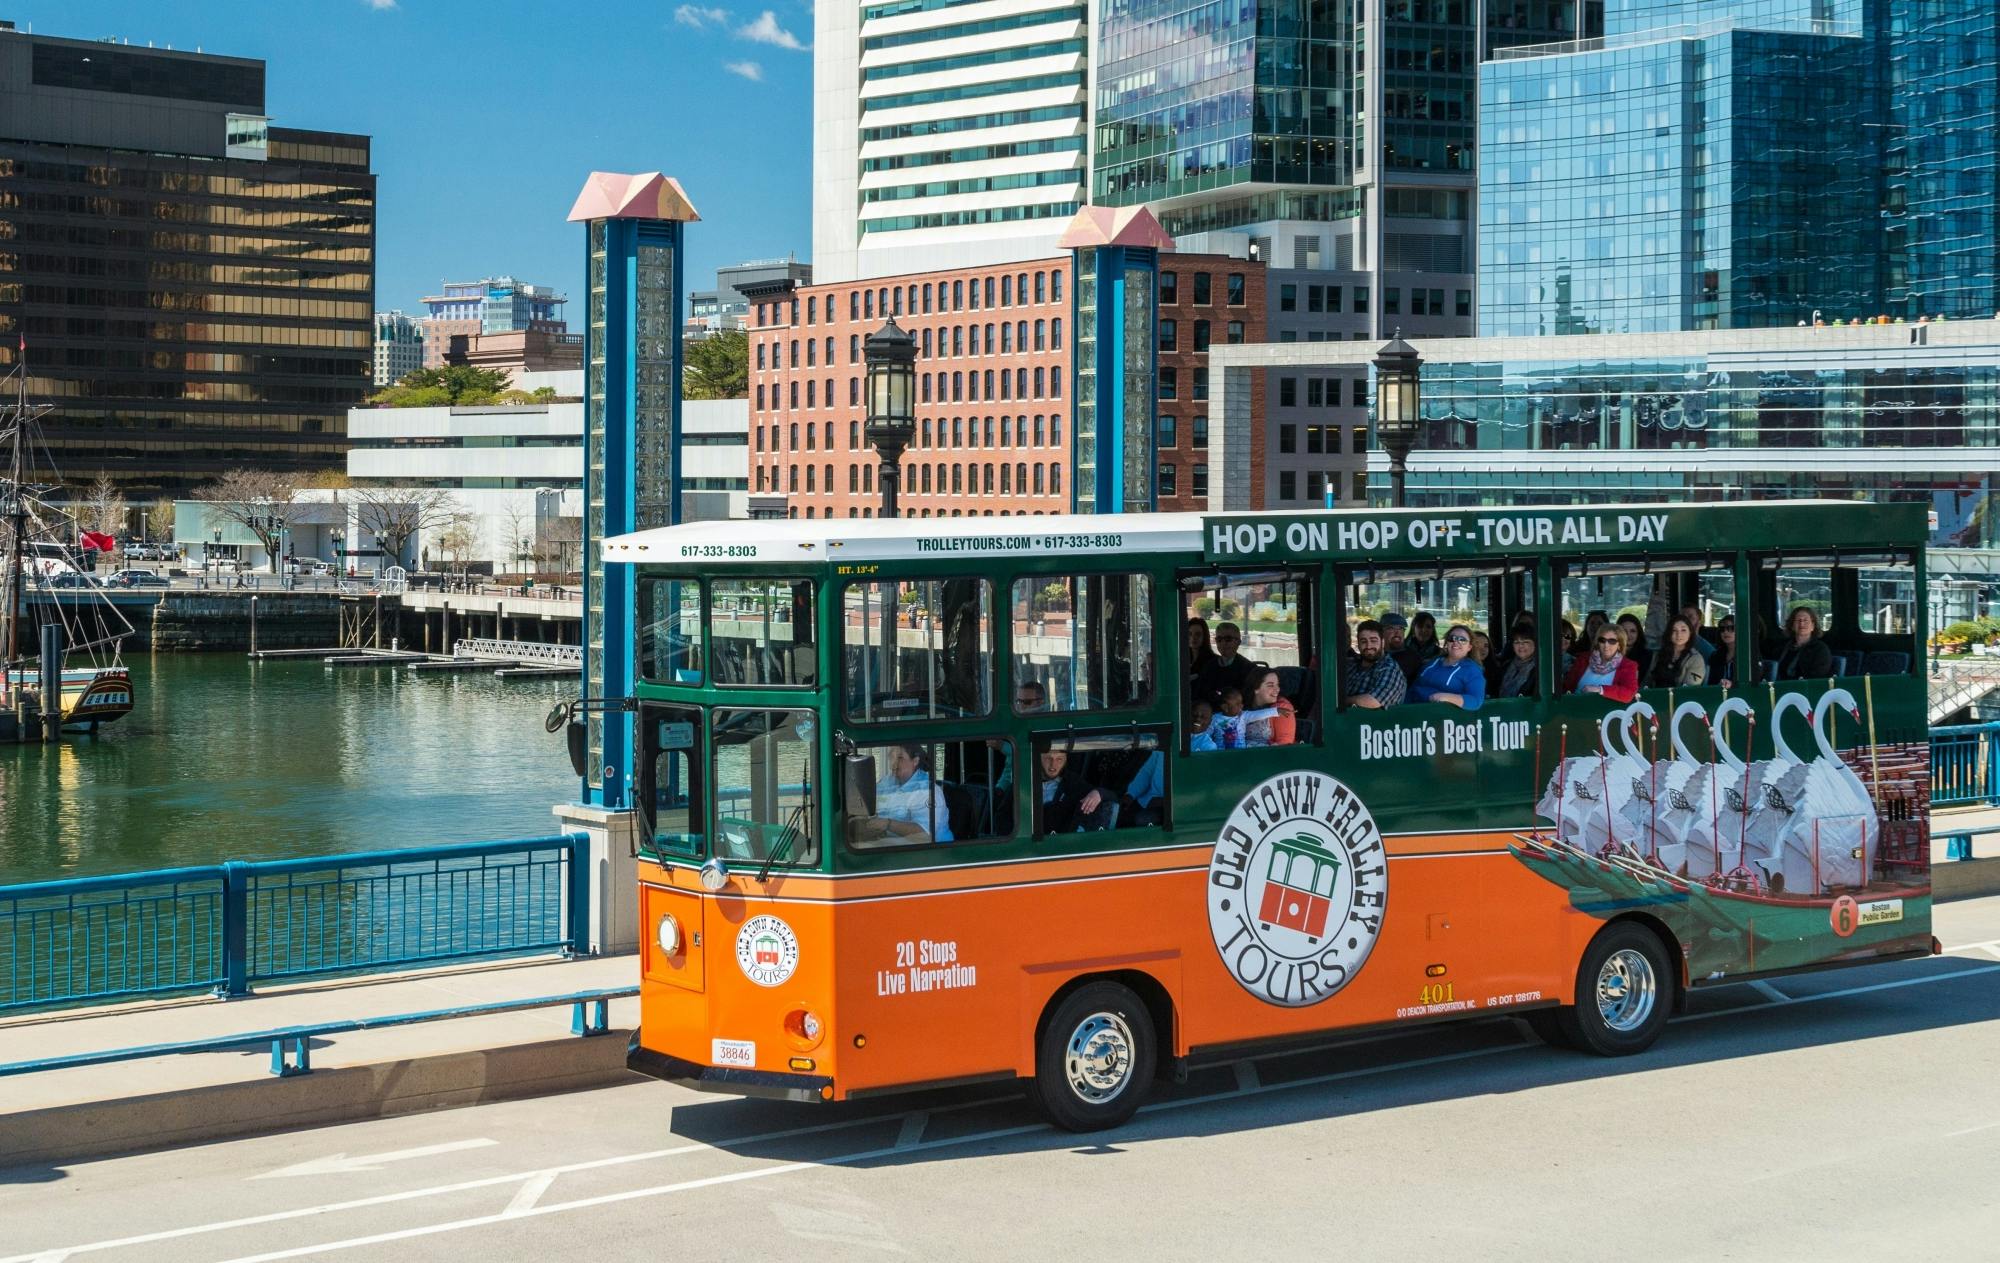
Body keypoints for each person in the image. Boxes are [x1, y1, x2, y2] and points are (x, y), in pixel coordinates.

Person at [853, 743, 952, 846]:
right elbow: (869, 805)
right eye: (892, 757)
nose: (894, 763)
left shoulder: (927, 791)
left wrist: (888, 824)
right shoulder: (887, 782)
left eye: (900, 758)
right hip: (887, 843)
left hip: (928, 853)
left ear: (915, 761)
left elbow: (925, 836)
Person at [1410, 625, 1486, 710]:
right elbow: (1414, 687)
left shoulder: (1472, 670)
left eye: (1462, 640)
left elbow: (1476, 701)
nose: (1456, 642)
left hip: (1442, 719)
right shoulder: (1433, 662)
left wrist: (1446, 697)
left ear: (1469, 647)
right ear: (1447, 642)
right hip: (1414, 712)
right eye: (1452, 638)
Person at [1037, 748, 1114, 832]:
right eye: (1048, 758)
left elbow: (1113, 797)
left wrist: (1099, 793)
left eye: (1059, 759)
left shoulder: (1071, 782)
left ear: (1066, 759)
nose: (1053, 764)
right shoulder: (1025, 777)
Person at [1564, 622, 1640, 702]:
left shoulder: (1628, 665)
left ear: (1619, 645)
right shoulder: (1583, 659)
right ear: (1597, 642)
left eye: (1612, 641)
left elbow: (1629, 693)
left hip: (1605, 713)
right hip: (1576, 709)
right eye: (1602, 640)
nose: (1606, 645)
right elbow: (1567, 687)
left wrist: (1600, 689)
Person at [1342, 620, 1407, 709]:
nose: (1368, 646)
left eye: (1373, 641)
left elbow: (1374, 701)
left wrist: (1342, 701)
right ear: (1358, 643)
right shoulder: (1351, 664)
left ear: (1383, 642)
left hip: (1376, 722)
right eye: (1363, 641)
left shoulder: (1390, 669)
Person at [1197, 621, 1256, 705]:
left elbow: (1247, 699)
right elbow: (1200, 694)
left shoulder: (1249, 669)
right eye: (1219, 639)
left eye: (1228, 639)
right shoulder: (1208, 666)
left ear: (1238, 642)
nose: (1223, 643)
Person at [1646, 614, 1709, 688]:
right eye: (1674, 630)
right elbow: (1647, 681)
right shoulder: (1658, 655)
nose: (1679, 634)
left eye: (1683, 630)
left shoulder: (1696, 659)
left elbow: (1690, 689)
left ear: (1690, 632)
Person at [1773, 605, 1833, 680]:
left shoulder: (1820, 649)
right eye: (1798, 620)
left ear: (1813, 626)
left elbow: (1817, 677)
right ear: (1792, 625)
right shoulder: (1782, 647)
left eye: (1806, 620)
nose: (1802, 623)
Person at [1241, 667, 1298, 746]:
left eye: (1277, 685)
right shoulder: (1240, 706)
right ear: (1256, 688)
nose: (1277, 689)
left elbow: (1285, 743)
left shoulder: (1283, 708)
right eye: (1270, 685)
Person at [1494, 627, 1539, 699]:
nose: (1521, 646)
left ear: (1535, 644)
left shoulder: (1540, 669)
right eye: (1517, 642)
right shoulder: (1506, 666)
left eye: (1525, 642)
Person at [1396, 611, 1440, 683]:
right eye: (1420, 626)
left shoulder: (1439, 653)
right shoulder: (1400, 648)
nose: (1424, 630)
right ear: (1413, 628)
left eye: (1428, 627)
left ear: (1433, 630)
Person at [1185, 617, 1218, 702]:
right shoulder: (1182, 659)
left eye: (1198, 634)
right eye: (1189, 634)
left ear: (1205, 637)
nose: (1193, 638)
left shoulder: (1213, 661)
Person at [1617, 614, 1651, 680]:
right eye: (1624, 631)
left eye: (1633, 631)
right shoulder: (1610, 653)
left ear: (1638, 633)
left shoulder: (1647, 656)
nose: (1628, 635)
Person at [1713, 616, 1741, 686]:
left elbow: (1752, 680)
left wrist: (1732, 684)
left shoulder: (1749, 653)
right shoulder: (1716, 655)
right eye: (1722, 629)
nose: (1725, 632)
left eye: (1731, 628)